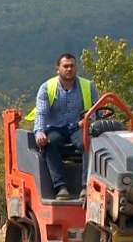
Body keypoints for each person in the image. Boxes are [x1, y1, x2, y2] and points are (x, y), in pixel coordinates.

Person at [32, 53, 98, 200]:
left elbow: (96, 110)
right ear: (58, 69)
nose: (69, 69)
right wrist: (39, 133)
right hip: (55, 128)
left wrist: (88, 120)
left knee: (89, 143)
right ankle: (60, 187)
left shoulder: (87, 86)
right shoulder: (47, 87)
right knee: (50, 143)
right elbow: (41, 113)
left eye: (72, 66)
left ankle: (85, 187)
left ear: (76, 68)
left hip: (78, 127)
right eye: (65, 66)